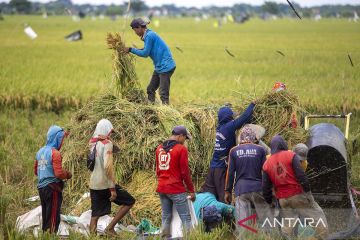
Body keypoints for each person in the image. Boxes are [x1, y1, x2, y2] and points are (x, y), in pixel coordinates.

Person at [262, 135, 328, 240]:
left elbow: (265, 187)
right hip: (296, 194)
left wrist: (270, 202)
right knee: (317, 214)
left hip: (282, 199)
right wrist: (308, 195)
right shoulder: (291, 155)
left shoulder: (266, 163)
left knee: (288, 224)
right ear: (283, 144)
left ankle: (285, 237)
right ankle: (322, 237)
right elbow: (301, 176)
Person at [200, 102, 256, 202]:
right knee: (223, 195)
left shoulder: (219, 128)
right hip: (221, 168)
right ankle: (226, 214)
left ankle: (208, 212)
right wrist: (252, 105)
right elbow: (244, 118)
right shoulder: (228, 127)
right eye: (231, 115)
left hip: (213, 166)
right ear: (228, 117)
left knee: (209, 193)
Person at [89, 119, 135, 235]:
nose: (110, 134)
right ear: (106, 130)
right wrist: (112, 189)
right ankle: (110, 228)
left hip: (94, 184)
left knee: (95, 216)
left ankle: (91, 237)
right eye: (110, 131)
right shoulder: (107, 144)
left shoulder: (92, 142)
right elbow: (108, 167)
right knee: (129, 201)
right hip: (105, 184)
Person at [224, 127, 273, 235]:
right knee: (266, 220)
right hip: (258, 189)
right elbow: (265, 171)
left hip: (241, 191)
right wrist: (268, 190)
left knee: (243, 224)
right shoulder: (261, 150)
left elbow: (230, 173)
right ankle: (269, 236)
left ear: (241, 138)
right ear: (253, 138)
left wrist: (227, 191)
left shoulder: (234, 151)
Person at [155, 125, 195, 239]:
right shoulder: (181, 149)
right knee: (185, 217)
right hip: (175, 188)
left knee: (166, 216)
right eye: (185, 138)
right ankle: (190, 238)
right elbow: (185, 172)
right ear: (180, 136)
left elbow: (158, 170)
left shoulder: (159, 148)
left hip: (162, 188)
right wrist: (191, 190)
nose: (184, 141)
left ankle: (164, 237)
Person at [125, 18, 176, 105]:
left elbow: (145, 53)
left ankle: (167, 112)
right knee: (150, 89)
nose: (135, 33)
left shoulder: (149, 36)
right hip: (159, 67)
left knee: (163, 93)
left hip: (166, 66)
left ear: (139, 28)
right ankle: (151, 109)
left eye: (135, 30)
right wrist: (132, 50)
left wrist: (130, 49)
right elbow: (147, 50)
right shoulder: (147, 35)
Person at [34, 125, 72, 233]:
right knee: (54, 216)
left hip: (41, 189)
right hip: (53, 189)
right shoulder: (55, 153)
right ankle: (51, 236)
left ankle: (45, 235)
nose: (62, 141)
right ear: (56, 138)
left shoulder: (39, 152)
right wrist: (68, 174)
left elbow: (36, 171)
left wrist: (45, 170)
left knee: (46, 214)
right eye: (61, 138)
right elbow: (59, 173)